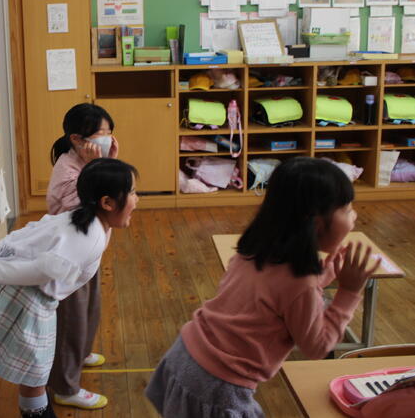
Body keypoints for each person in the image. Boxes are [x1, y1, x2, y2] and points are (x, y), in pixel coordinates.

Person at [145, 157, 381, 417]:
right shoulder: (299, 282)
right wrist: (348, 292)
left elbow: (277, 294)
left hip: (185, 355)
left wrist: (322, 278)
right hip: (218, 385)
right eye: (347, 209)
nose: (354, 216)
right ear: (315, 223)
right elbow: (317, 347)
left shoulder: (256, 249)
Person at [0, 158, 139, 418]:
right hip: (28, 299)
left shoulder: (86, 220)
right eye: (132, 192)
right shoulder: (88, 237)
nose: (137, 200)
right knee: (34, 377)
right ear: (107, 203)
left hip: (32, 295)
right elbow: (42, 270)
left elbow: (34, 232)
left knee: (34, 377)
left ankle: (36, 410)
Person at [46, 103, 118, 410]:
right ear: (77, 139)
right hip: (70, 259)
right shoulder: (68, 168)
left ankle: (82, 353)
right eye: (101, 133)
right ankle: (65, 387)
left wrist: (105, 162)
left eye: (109, 132)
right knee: (71, 321)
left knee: (91, 309)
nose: (108, 138)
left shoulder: (88, 160)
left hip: (89, 253)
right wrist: (95, 167)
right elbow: (83, 207)